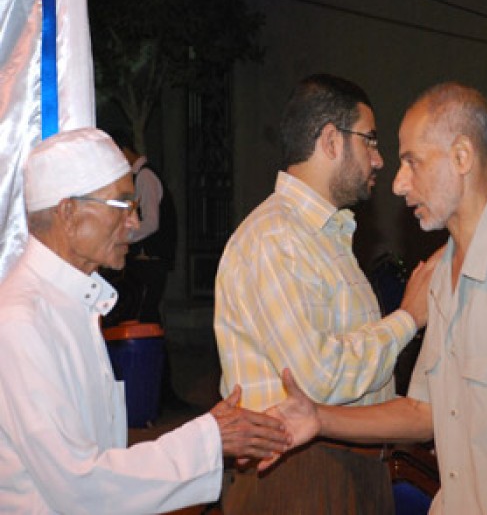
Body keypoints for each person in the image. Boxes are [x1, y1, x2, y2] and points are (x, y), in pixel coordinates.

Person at [268, 82, 487, 514]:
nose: (398, 184)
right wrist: (319, 418)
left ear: (461, 157)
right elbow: (423, 412)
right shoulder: (442, 273)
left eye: (412, 162)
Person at [0, 128, 291, 513]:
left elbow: (102, 455)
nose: (135, 223)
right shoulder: (21, 322)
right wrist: (207, 441)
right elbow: (79, 486)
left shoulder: (71, 304)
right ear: (68, 212)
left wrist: (207, 436)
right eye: (122, 205)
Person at [214, 73, 435, 514]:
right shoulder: (275, 238)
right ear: (332, 141)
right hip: (296, 476)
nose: (378, 160)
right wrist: (407, 319)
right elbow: (316, 379)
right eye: (370, 141)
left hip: (346, 467)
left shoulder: (325, 236)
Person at [111, 129, 176, 326]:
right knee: (142, 318)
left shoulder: (145, 177)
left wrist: (126, 238)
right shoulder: (139, 176)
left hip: (150, 262)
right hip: (146, 262)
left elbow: (151, 222)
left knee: (145, 318)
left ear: (123, 151)